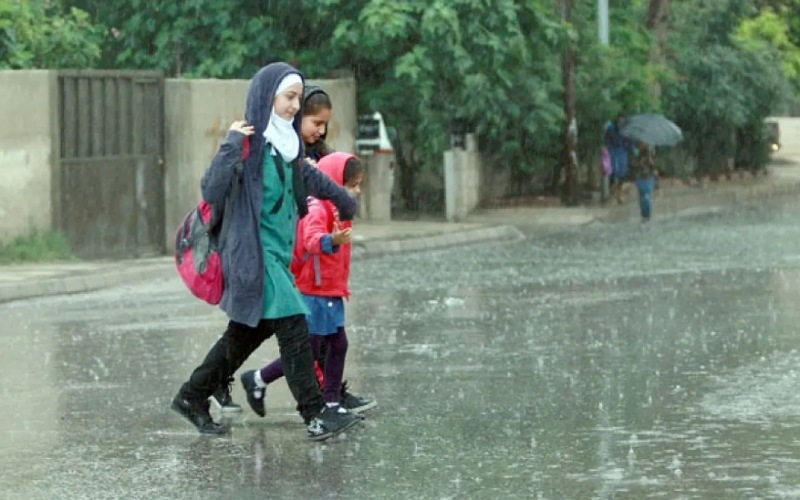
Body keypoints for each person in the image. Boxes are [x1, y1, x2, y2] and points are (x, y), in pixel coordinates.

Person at [170, 62, 361, 441]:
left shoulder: (287, 146)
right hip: (254, 259)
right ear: (267, 96)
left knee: (243, 336)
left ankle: (191, 396)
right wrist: (230, 144)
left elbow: (310, 177)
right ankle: (315, 414)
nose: (295, 106)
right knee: (295, 327)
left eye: (298, 98)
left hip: (277, 258)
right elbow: (211, 188)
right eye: (289, 97)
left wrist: (344, 199)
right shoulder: (249, 145)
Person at [240, 152, 377, 420]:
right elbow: (311, 240)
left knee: (332, 346)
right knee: (315, 349)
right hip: (315, 290)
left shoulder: (338, 209)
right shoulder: (317, 207)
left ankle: (327, 400)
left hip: (330, 290)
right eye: (352, 185)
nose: (356, 191)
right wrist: (331, 240)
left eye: (359, 185)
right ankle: (323, 399)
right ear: (335, 181)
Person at [604, 113, 632, 203]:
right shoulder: (611, 129)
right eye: (619, 120)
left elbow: (630, 142)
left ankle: (619, 193)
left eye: (623, 120)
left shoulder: (627, 130)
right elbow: (607, 140)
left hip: (623, 151)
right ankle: (613, 192)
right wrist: (607, 149)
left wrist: (630, 148)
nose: (621, 122)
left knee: (622, 173)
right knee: (612, 171)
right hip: (613, 151)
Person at [632, 141, 657, 221]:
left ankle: (648, 214)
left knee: (647, 195)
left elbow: (654, 164)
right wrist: (640, 162)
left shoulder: (651, 150)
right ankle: (643, 214)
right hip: (640, 176)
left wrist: (650, 161)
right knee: (642, 195)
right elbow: (633, 164)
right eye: (640, 143)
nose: (642, 144)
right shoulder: (636, 151)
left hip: (649, 176)